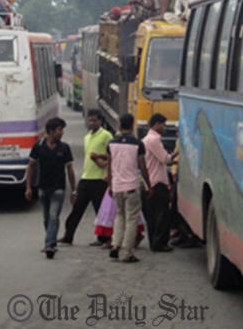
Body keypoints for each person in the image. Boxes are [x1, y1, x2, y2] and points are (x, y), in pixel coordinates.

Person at [60, 109, 114, 245]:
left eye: (94, 120)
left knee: (100, 211)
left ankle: (104, 238)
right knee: (77, 209)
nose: (91, 122)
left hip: (99, 180)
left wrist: (101, 162)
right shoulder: (87, 137)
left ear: (101, 121)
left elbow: (112, 157)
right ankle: (68, 236)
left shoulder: (106, 136)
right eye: (89, 120)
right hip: (86, 178)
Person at [24, 117, 76, 259]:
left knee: (53, 216)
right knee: (47, 218)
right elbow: (30, 167)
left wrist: (73, 190)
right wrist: (28, 187)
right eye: (60, 130)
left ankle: (49, 245)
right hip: (43, 188)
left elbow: (70, 169)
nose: (62, 133)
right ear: (51, 131)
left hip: (58, 189)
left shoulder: (64, 148)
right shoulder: (38, 147)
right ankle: (50, 240)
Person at [106, 113, 151, 263]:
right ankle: (127, 252)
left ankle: (115, 245)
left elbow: (109, 166)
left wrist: (110, 184)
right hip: (132, 186)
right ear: (132, 125)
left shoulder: (111, 143)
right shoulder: (138, 144)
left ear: (119, 124)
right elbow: (143, 167)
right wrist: (149, 185)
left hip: (117, 186)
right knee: (132, 219)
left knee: (119, 216)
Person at [142, 113, 179, 252]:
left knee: (152, 215)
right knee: (161, 215)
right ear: (156, 124)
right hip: (157, 181)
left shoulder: (146, 139)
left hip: (150, 181)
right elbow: (165, 159)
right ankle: (159, 243)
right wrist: (176, 153)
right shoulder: (154, 139)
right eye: (163, 124)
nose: (164, 127)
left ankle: (154, 242)